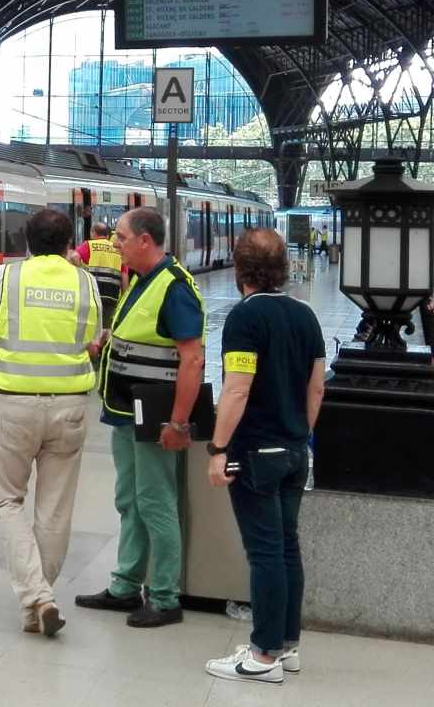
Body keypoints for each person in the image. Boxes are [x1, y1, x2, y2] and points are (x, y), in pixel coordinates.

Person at [205, 229, 326, 684]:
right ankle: (287, 645)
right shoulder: (306, 315)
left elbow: (236, 389)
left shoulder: (245, 318)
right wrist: (301, 433)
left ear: (240, 268)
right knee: (287, 547)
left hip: (257, 452)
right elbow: (317, 386)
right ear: (283, 267)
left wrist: (218, 449)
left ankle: (261, 656)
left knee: (265, 553)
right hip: (295, 450)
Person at [75, 206, 205, 628]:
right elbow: (142, 334)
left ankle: (165, 597)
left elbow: (192, 360)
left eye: (121, 237)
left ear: (145, 240)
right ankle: (126, 585)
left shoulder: (175, 287)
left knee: (155, 501)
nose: (115, 244)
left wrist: (178, 423)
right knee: (129, 499)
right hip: (123, 410)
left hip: (155, 416)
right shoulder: (141, 280)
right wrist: (107, 341)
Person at [0, 208, 101, 638]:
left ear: (26, 241)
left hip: (15, 405)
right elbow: (91, 340)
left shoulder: (4, 278)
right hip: (70, 407)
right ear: (70, 243)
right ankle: (39, 600)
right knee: (55, 509)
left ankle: (37, 596)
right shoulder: (86, 282)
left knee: (6, 500)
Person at [76, 222, 128, 330]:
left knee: (90, 326)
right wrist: (124, 298)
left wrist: (82, 271)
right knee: (106, 328)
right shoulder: (117, 249)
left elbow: (74, 256)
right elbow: (124, 275)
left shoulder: (90, 245)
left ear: (93, 233)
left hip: (93, 293)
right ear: (108, 236)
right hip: (111, 295)